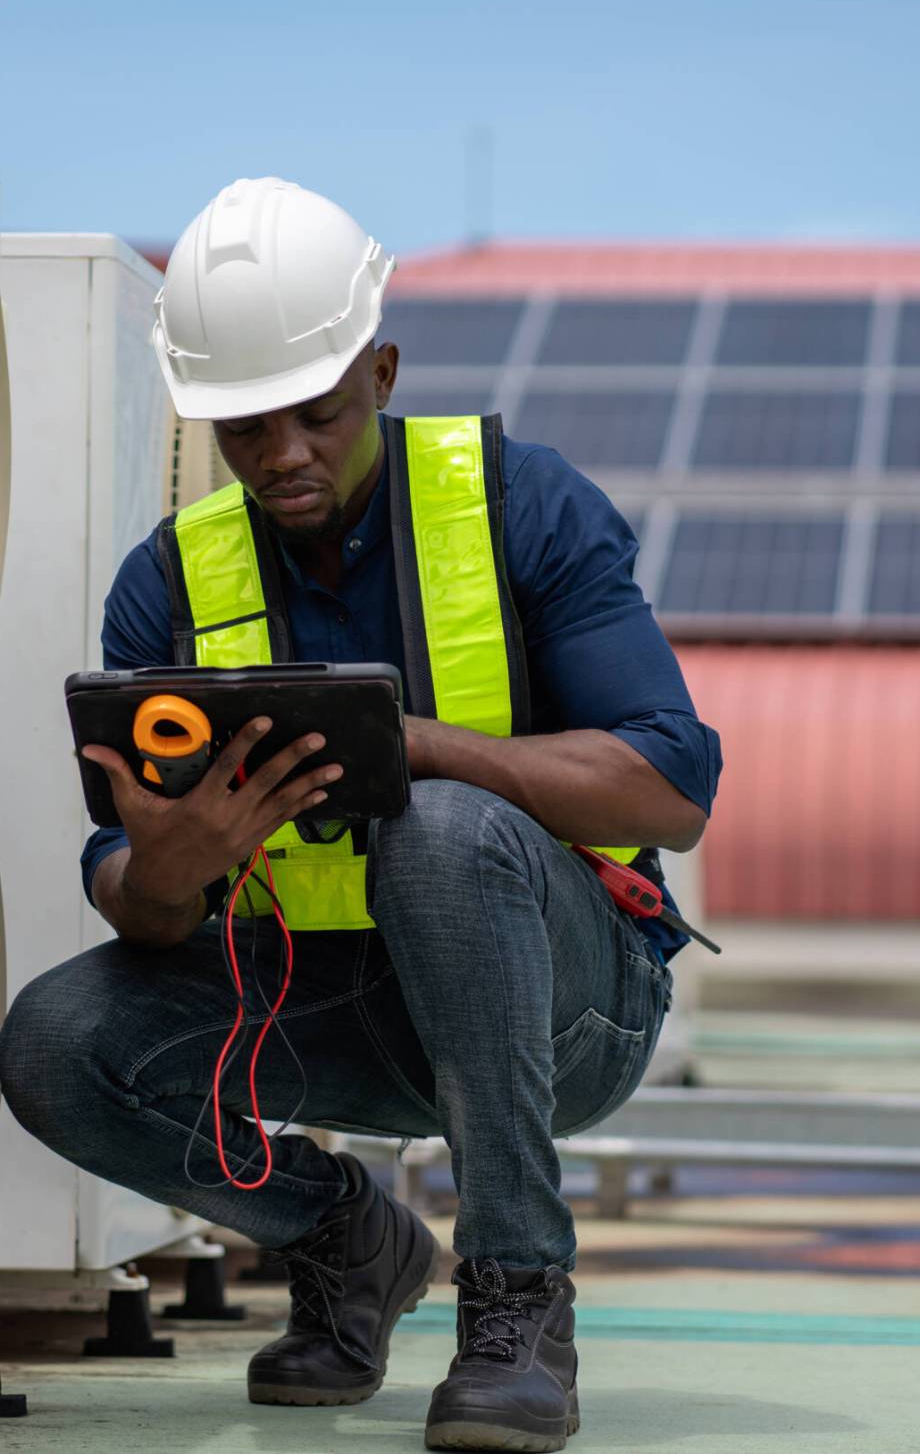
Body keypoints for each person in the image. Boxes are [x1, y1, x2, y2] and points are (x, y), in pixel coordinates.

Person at [0, 177, 721, 1453]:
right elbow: (131, 885)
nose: (281, 455)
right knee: (52, 1041)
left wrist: (424, 750)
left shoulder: (522, 504)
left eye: (316, 414)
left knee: (439, 826)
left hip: (572, 1006)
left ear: (380, 370)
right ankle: (343, 1232)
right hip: (323, 1001)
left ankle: (514, 1295)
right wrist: (164, 877)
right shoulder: (167, 584)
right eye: (240, 426)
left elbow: (668, 786)